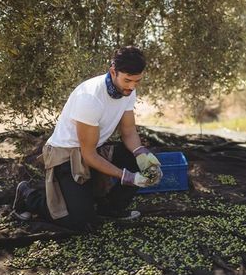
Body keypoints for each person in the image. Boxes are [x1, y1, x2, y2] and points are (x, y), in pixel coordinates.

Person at [12, 46, 163, 231]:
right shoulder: (90, 98)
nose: (132, 86)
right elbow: (89, 155)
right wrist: (127, 177)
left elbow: (129, 132)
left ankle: (109, 209)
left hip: (94, 148)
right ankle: (28, 196)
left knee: (135, 159)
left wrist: (142, 155)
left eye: (137, 81)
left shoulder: (128, 91)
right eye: (127, 80)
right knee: (79, 222)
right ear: (113, 72)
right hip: (66, 155)